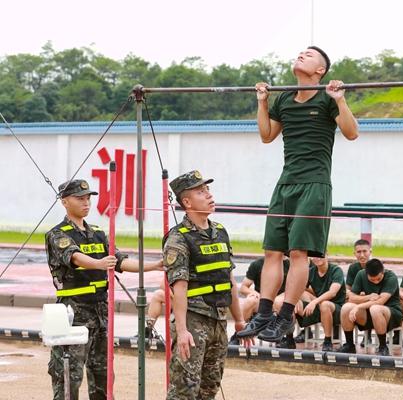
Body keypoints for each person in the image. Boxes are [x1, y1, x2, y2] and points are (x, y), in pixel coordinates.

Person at [238, 46, 359, 342]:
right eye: (300, 53)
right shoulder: (284, 99)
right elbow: (267, 135)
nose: (301, 55)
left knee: (298, 252)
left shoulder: (327, 98)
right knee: (272, 251)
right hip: (286, 183)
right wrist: (263, 102)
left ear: (321, 70)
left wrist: (340, 100)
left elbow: (351, 131)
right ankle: (265, 312)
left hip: (314, 184)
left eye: (309, 55)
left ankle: (286, 313)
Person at [45, 179, 163, 400]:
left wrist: (153, 266)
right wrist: (99, 263)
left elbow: (119, 261)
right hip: (74, 312)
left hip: (100, 311)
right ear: (64, 201)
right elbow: (74, 257)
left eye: (88, 198)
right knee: (69, 375)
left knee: (103, 375)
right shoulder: (58, 234)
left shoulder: (98, 233)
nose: (86, 202)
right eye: (80, 198)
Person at [163, 170, 250, 399]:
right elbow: (179, 287)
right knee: (184, 390)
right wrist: (182, 331)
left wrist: (239, 320)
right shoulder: (178, 238)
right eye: (201, 192)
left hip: (219, 321)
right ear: (187, 202)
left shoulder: (220, 232)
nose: (209, 195)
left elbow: (228, 279)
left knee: (209, 389)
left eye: (208, 190)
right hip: (193, 320)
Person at [337, 258, 403, 356]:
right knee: (346, 307)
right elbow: (352, 298)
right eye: (372, 280)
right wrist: (369, 297)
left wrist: (358, 307)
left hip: (391, 313)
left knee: (375, 308)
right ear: (366, 274)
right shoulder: (361, 274)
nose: (376, 282)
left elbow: (380, 301)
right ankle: (349, 345)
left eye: (378, 279)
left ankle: (383, 346)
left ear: (383, 272)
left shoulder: (391, 277)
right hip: (369, 314)